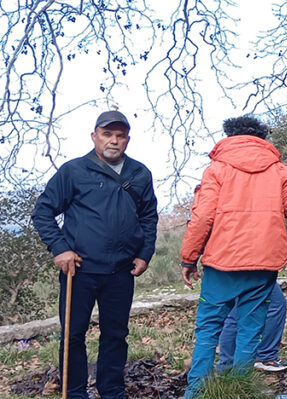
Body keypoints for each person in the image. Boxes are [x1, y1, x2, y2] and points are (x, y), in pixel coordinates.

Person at [179, 116, 287, 397]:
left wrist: (188, 258)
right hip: (264, 264)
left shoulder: (217, 169)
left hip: (222, 263)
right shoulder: (278, 171)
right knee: (250, 332)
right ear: (262, 138)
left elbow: (202, 216)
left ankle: (195, 393)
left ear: (229, 136)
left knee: (207, 331)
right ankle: (238, 390)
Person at [32, 110, 158, 399]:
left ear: (127, 139)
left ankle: (112, 391)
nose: (114, 141)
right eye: (107, 134)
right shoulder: (73, 171)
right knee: (73, 335)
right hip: (80, 270)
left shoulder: (140, 174)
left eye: (120, 135)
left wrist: (145, 253)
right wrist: (60, 248)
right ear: (94, 136)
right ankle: (75, 393)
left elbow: (149, 217)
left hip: (122, 271)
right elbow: (43, 212)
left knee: (116, 335)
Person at [218, 283, 287, 372]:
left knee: (236, 310)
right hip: (251, 270)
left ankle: (228, 363)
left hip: (227, 271)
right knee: (274, 304)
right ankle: (264, 356)